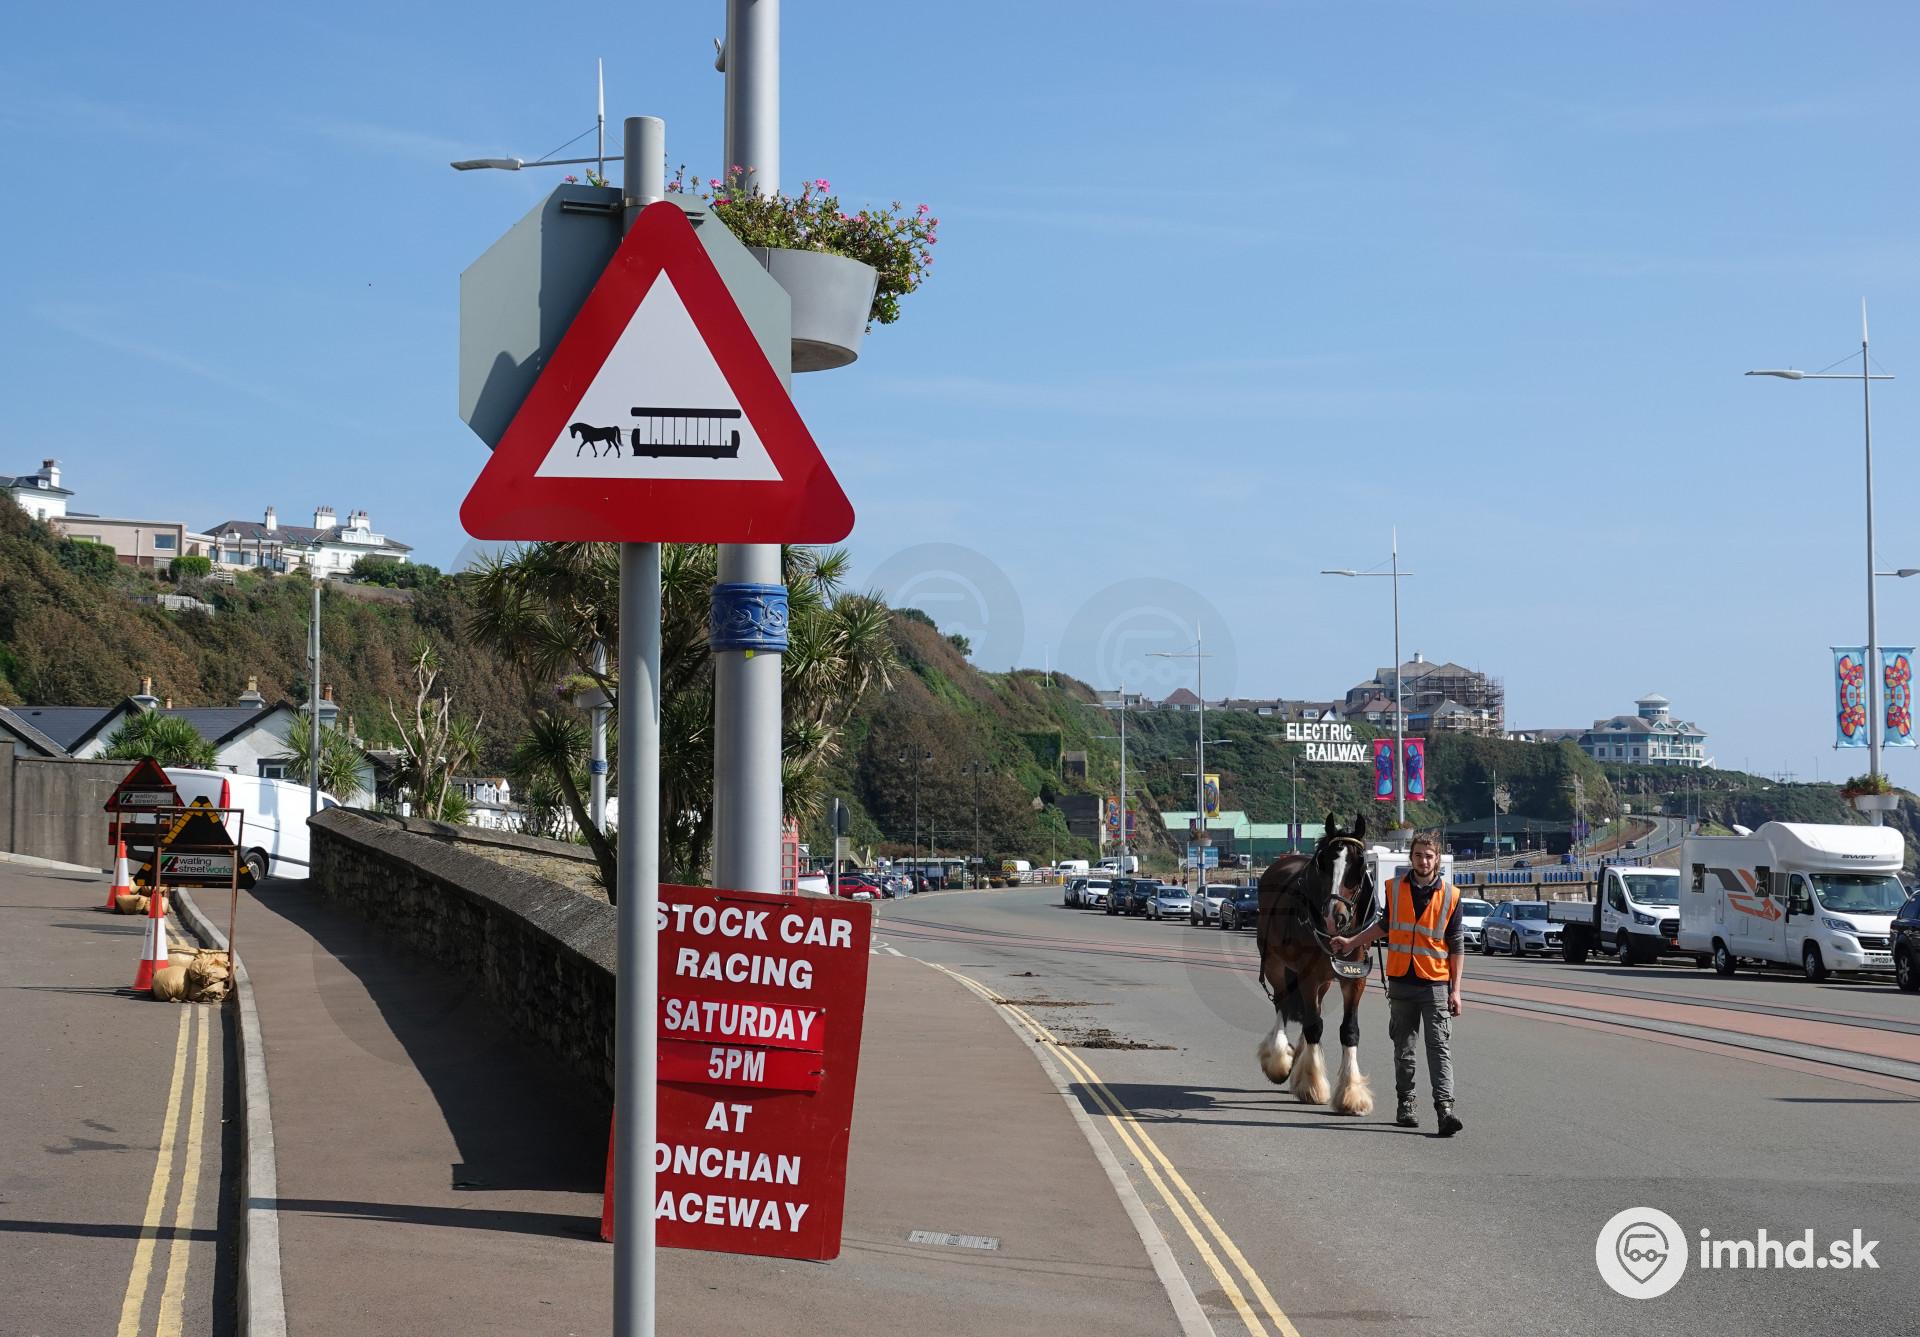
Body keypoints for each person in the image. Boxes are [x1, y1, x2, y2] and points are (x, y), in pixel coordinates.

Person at [1329, 832, 1465, 1136]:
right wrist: (1351, 941)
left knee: (1439, 1049)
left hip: (1435, 984)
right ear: (1411, 858)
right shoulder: (1395, 889)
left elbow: (1456, 946)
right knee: (1404, 1049)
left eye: (1429, 856)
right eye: (1418, 855)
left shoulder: (1452, 896)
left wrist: (1456, 990)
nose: (1423, 861)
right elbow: (1383, 926)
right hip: (1402, 982)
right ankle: (1406, 1104)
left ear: (1437, 859)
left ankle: (1445, 1110)